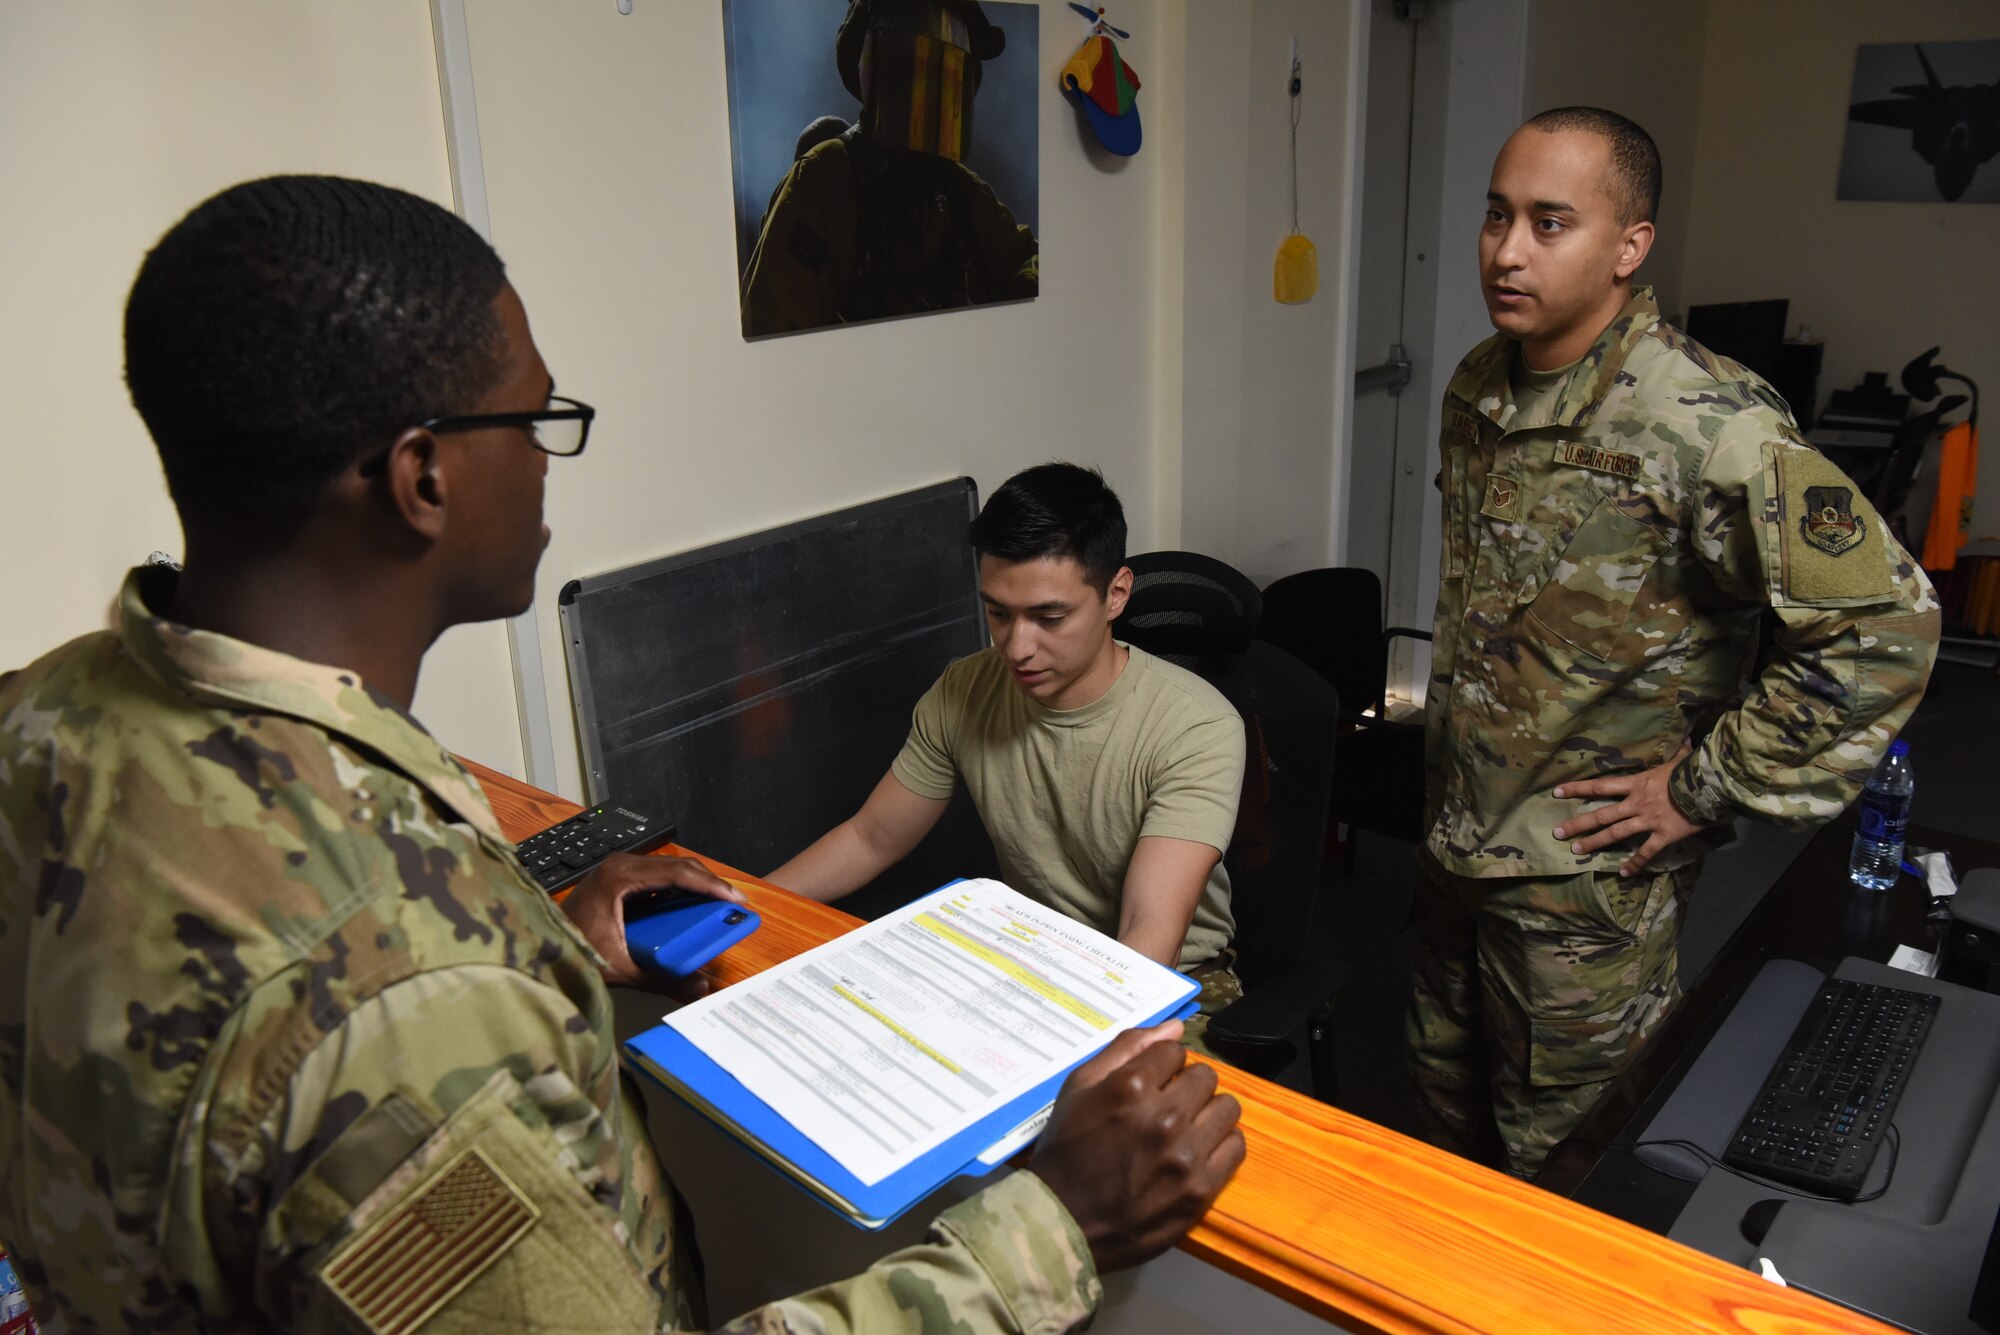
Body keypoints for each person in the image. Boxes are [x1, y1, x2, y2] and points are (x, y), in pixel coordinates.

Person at [0, 176, 1244, 1335]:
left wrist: (544, 942)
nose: (549, 457)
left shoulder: (40, 720)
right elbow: (381, 1022)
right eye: (536, 418)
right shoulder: (408, 1004)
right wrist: (1047, 1228)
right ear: (422, 475)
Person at [1413, 107, 1940, 1178]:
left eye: (1548, 222)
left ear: (1627, 246)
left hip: (1586, 888)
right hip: (1456, 841)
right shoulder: (1481, 382)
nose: (1506, 250)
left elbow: (1884, 627)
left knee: (1563, 1172)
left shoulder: (1709, 422)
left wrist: (1700, 790)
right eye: (1495, 215)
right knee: (1438, 1145)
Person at [770, 464, 1247, 1050]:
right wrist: (739, 905)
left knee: (1106, 1133)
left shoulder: (1195, 726)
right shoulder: (964, 689)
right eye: (998, 613)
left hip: (1167, 978)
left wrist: (1053, 1048)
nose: (1016, 648)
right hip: (1024, 957)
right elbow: (871, 838)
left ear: (1115, 594)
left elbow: (1148, 932)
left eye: (1050, 618)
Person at [739, 0, 1038, 336]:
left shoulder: (961, 192)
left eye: (942, 74)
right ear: (876, 71)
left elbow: (1031, 262)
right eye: (911, 67)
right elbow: (774, 335)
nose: (924, 92)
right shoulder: (824, 182)